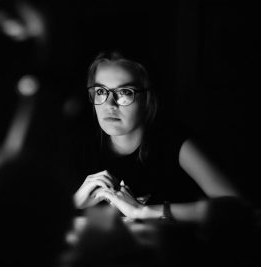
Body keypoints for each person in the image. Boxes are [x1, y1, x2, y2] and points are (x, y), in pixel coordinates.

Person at [72, 50, 245, 223]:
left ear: (148, 99)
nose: (110, 104)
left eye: (124, 92)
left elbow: (239, 208)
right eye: (101, 91)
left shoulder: (174, 141)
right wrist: (73, 204)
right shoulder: (77, 144)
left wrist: (143, 211)